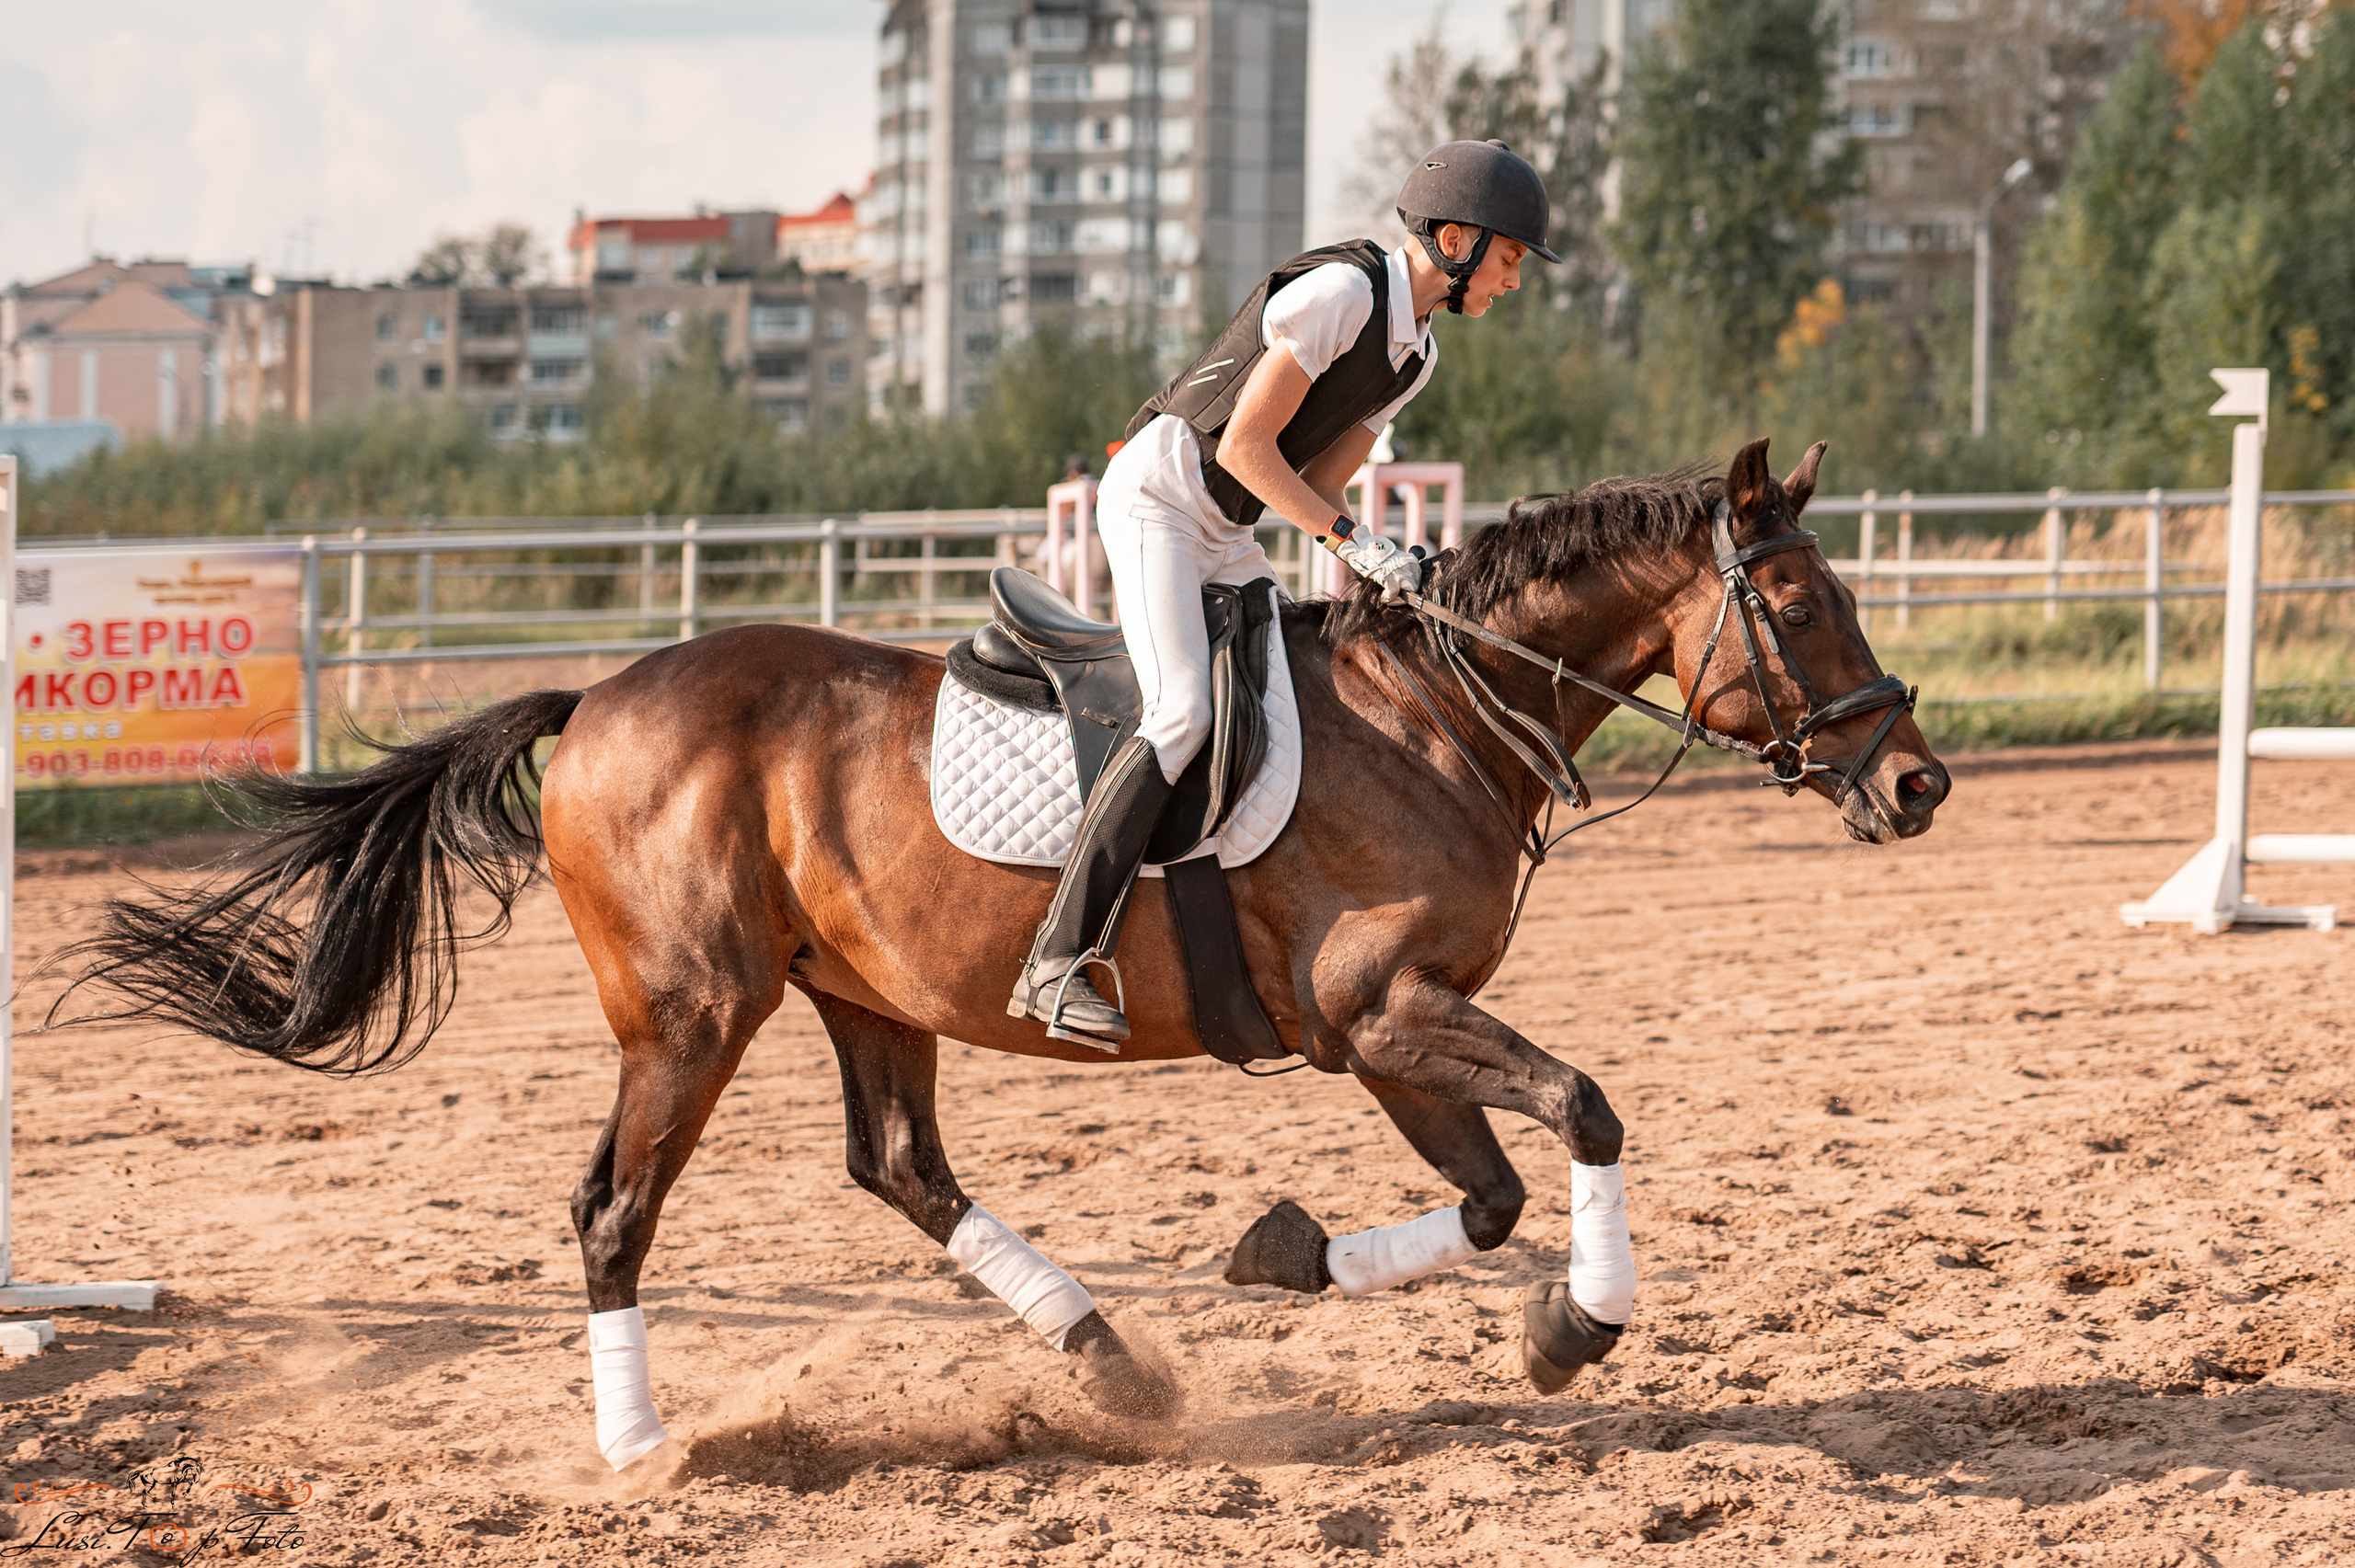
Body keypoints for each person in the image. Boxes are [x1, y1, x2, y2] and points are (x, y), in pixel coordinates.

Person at [1009, 139, 1559, 1049]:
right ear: (1457, 238)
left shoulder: (1415, 354)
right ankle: (1057, 955)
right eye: (1508, 258)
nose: (1512, 280)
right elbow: (1246, 451)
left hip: (1225, 530)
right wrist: (1351, 544)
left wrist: (1387, 558)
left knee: (1296, 694)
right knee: (1183, 711)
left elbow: (1321, 482)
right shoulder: (1340, 295)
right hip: (1159, 496)